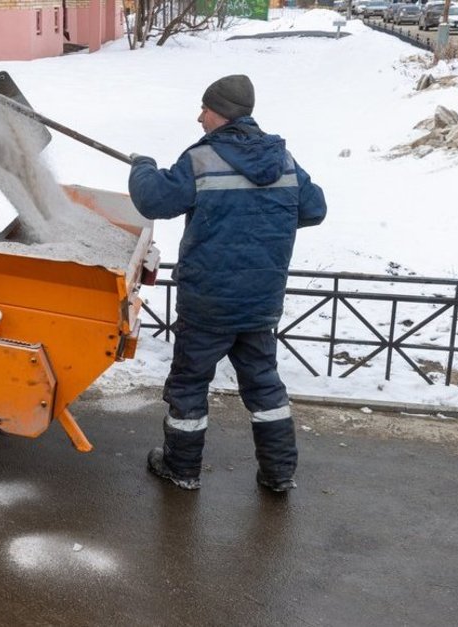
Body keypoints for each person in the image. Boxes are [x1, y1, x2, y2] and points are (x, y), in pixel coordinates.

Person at [128, 74, 326, 493]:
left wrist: (142, 166)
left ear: (221, 113)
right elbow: (314, 209)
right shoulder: (283, 160)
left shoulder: (203, 160)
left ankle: (181, 469)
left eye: (205, 109)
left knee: (188, 386)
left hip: (208, 304)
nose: (199, 117)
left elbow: (154, 199)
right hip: (259, 304)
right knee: (264, 385)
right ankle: (279, 474)